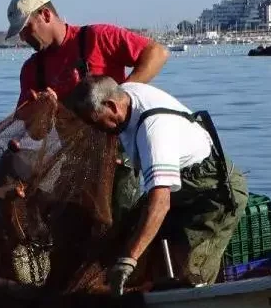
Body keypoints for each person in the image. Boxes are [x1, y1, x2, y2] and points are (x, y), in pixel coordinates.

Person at [61, 76, 249, 294]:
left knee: (188, 278)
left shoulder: (154, 132)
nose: (96, 129)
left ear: (111, 106)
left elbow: (160, 204)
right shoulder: (125, 93)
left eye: (95, 121)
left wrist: (129, 260)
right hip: (182, 185)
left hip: (212, 194)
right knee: (120, 238)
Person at [4, 0, 169, 224]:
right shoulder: (32, 71)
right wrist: (44, 110)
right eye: (19, 33)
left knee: (119, 222)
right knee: (68, 224)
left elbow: (158, 53)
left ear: (46, 15)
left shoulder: (97, 37)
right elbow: (36, 133)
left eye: (26, 29)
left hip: (117, 155)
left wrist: (121, 94)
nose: (23, 38)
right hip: (75, 160)